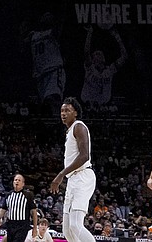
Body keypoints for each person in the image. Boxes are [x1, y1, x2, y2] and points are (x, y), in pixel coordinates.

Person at [49, 98, 95, 242]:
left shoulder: (79, 126)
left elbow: (84, 155)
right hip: (73, 179)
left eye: (67, 110)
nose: (63, 113)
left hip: (82, 176)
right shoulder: (70, 130)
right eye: (62, 110)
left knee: (75, 225)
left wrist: (61, 174)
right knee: (67, 230)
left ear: (75, 113)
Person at [0, 174, 38, 242]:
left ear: (23, 184)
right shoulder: (9, 195)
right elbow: (3, 209)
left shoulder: (28, 195)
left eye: (19, 180)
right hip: (11, 224)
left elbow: (34, 212)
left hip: (22, 225)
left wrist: (35, 227)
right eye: (15, 180)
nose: (17, 182)